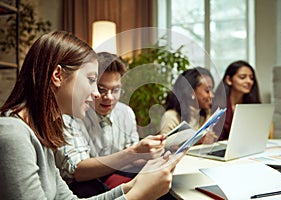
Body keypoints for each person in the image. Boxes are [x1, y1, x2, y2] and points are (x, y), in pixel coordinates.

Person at [0, 30, 184, 200]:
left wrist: (132, 186)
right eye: (91, 80)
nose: (97, 93)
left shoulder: (41, 135)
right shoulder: (13, 134)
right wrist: (138, 195)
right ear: (58, 75)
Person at [54, 52, 166, 197]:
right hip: (81, 189)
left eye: (116, 90)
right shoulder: (69, 114)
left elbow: (132, 160)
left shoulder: (125, 113)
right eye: (101, 89)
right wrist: (132, 153)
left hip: (117, 179)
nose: (109, 97)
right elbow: (78, 171)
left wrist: (153, 152)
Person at [160, 66, 216, 144]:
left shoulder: (206, 114)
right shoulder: (171, 117)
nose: (212, 95)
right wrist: (197, 141)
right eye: (207, 90)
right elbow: (164, 149)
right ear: (191, 92)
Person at [213, 60, 261, 141]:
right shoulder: (217, 105)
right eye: (242, 77)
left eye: (251, 78)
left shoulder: (253, 105)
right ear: (229, 80)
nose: (249, 81)